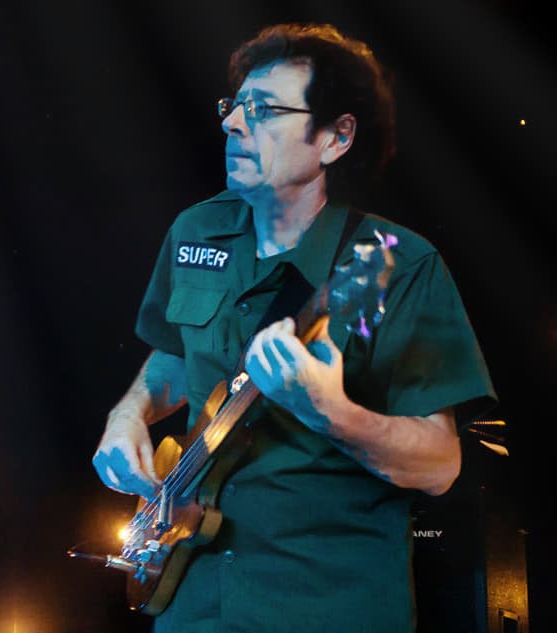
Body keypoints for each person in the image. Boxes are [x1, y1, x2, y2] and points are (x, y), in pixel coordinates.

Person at [92, 22, 497, 633]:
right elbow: (174, 357)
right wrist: (128, 415)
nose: (233, 124)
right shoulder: (195, 232)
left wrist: (330, 411)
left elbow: (440, 464)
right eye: (234, 107)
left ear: (336, 137)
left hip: (325, 606)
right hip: (191, 605)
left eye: (264, 110)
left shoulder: (398, 264)